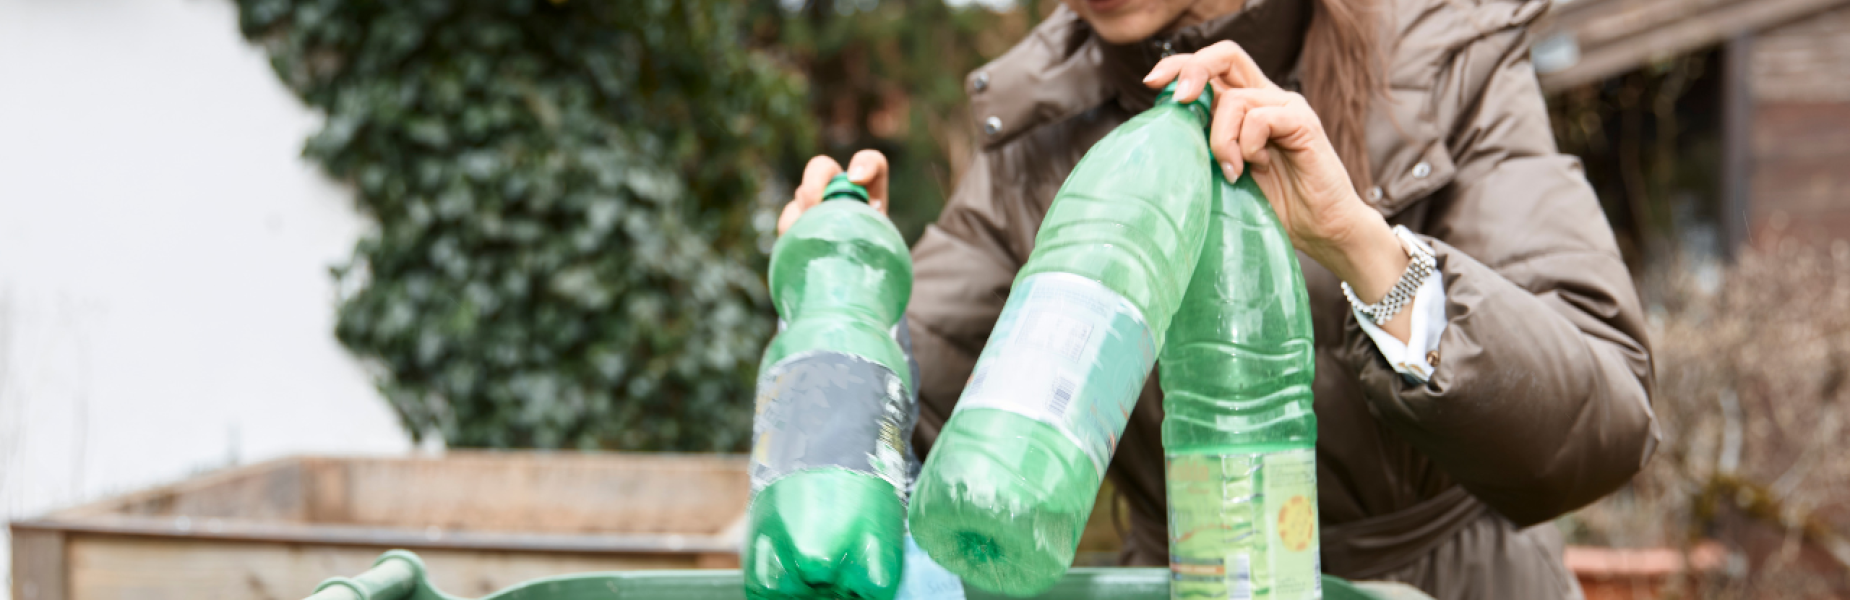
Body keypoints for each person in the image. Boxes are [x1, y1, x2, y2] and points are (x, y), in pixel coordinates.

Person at [776, 0, 1660, 597]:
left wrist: (1364, 246)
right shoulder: (1039, 126)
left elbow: (1605, 430)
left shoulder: (1441, 59)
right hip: (1189, 578)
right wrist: (847, 310)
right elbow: (924, 430)